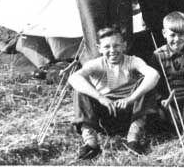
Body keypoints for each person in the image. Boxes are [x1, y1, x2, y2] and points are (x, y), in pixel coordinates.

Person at [68, 27, 160, 159]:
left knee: (146, 84)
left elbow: (154, 75)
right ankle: (90, 142)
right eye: (106, 47)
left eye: (116, 45)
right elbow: (74, 78)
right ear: (99, 48)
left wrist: (131, 98)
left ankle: (133, 137)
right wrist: (100, 97)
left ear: (124, 46)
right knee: (80, 89)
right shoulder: (95, 64)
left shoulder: (133, 61)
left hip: (130, 113)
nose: (112, 51)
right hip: (104, 114)